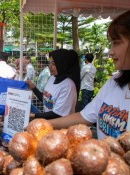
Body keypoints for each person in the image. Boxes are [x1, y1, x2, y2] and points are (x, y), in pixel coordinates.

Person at [48, 10, 130, 140]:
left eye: (116, 42)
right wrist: (45, 125)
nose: (110, 51)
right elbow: (84, 116)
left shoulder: (68, 84)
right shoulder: (114, 82)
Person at [27, 49, 80, 119]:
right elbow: (45, 99)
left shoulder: (68, 86)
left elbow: (58, 114)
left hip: (60, 128)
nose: (50, 66)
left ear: (63, 64)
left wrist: (33, 115)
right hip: (49, 124)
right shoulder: (52, 78)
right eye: (50, 63)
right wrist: (33, 88)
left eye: (54, 64)